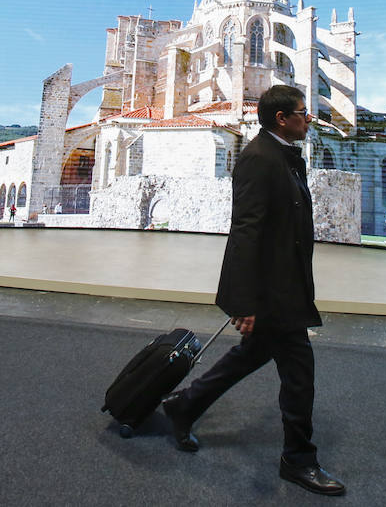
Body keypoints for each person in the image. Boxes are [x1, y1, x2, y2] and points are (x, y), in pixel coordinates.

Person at [160, 85, 345, 497]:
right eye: (302, 112)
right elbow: (245, 231)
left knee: (251, 355)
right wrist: (243, 301)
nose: (308, 118)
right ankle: (298, 460)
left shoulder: (282, 155)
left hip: (285, 284)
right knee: (299, 374)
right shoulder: (259, 159)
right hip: (274, 291)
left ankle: (184, 405)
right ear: (282, 118)